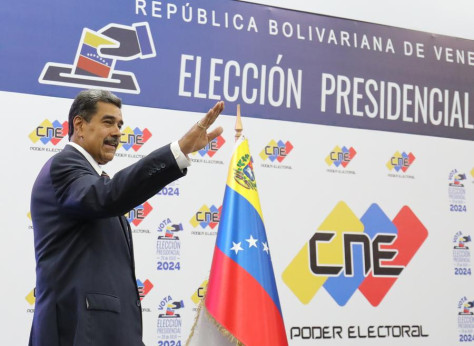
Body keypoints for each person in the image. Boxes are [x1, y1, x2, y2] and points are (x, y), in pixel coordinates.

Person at [29, 89, 224, 346]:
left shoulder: (92, 176)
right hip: (78, 333)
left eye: (119, 124)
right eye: (108, 122)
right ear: (79, 125)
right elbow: (108, 197)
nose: (118, 132)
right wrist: (178, 151)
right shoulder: (65, 166)